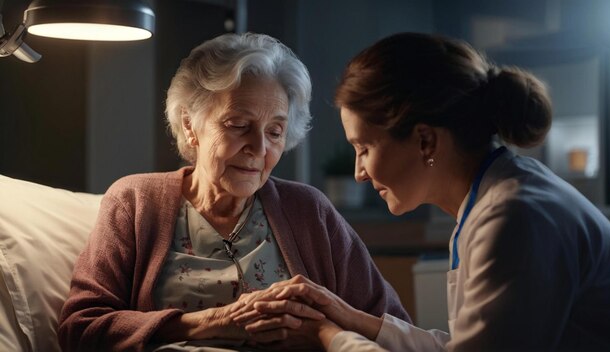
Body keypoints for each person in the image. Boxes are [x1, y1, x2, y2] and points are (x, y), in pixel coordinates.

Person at [230, 32, 610, 351]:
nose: (359, 174)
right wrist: (345, 316)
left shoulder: (514, 216)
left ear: (425, 142)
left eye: (365, 149)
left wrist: (326, 336)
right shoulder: (493, 200)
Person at [57, 32, 410, 351]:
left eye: (275, 131)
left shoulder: (308, 210)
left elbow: (391, 328)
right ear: (190, 125)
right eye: (238, 125)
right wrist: (211, 322)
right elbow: (81, 328)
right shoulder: (135, 201)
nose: (258, 147)